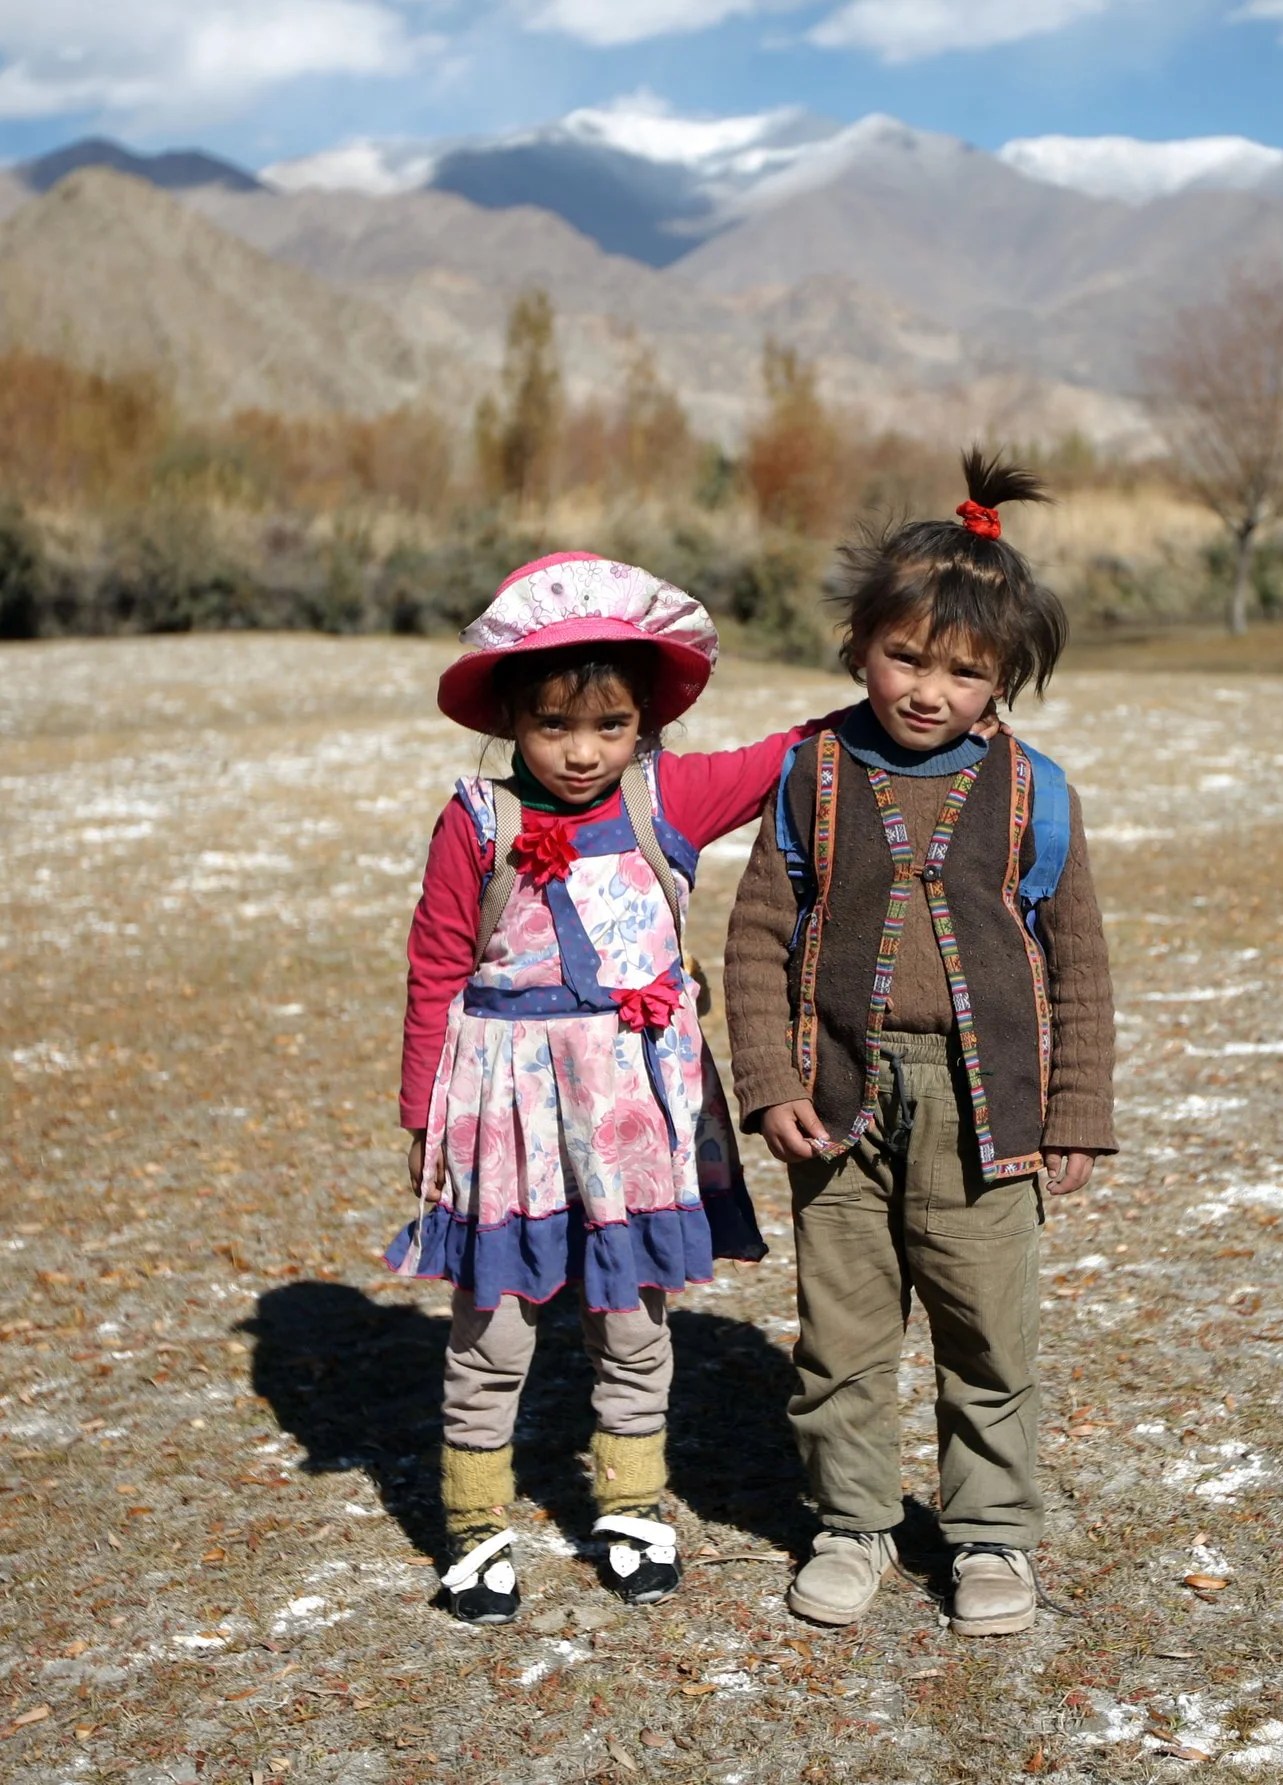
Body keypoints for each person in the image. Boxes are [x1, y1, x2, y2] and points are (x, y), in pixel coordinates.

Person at [389, 551, 838, 1624]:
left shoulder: (665, 796)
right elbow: (434, 969)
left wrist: (905, 689)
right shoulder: (478, 823)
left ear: (644, 722)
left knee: (632, 1319)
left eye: (609, 726)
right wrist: (419, 1119)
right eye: (552, 726)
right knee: (492, 1325)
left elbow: (795, 753)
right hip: (505, 1113)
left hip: (633, 1112)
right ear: (508, 717)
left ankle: (632, 1508)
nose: (581, 753)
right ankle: (474, 1524)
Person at [723, 452, 1117, 1639]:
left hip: (981, 1104)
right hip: (835, 1102)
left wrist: (1076, 1112)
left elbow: (1080, 960)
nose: (927, 689)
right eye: (906, 656)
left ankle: (990, 1537)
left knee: (987, 1332)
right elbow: (754, 940)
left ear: (1005, 679)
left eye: (964, 670)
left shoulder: (1035, 791)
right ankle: (849, 1524)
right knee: (839, 1334)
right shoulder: (813, 775)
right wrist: (769, 1080)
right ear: (858, 646)